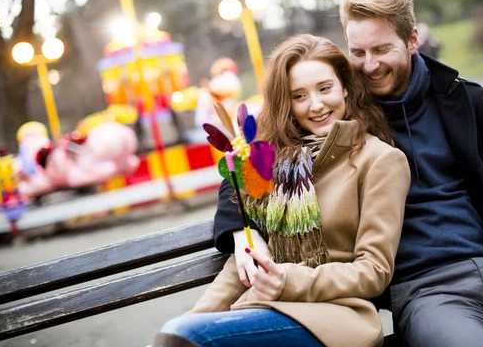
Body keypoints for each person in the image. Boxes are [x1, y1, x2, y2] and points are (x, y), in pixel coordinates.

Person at [213, 0, 483, 347]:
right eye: (357, 52)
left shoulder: (464, 100)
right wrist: (240, 234)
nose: (368, 65)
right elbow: (252, 158)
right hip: (425, 291)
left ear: (413, 40)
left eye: (381, 50)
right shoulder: (340, 106)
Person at [152, 34, 410, 347]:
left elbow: (374, 271)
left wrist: (288, 279)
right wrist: (190, 322)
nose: (315, 105)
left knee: (194, 336)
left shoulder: (380, 160)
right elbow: (249, 260)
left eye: (324, 88)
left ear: (345, 86)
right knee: (181, 333)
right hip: (265, 308)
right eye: (298, 96)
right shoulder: (278, 160)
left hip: (335, 319)